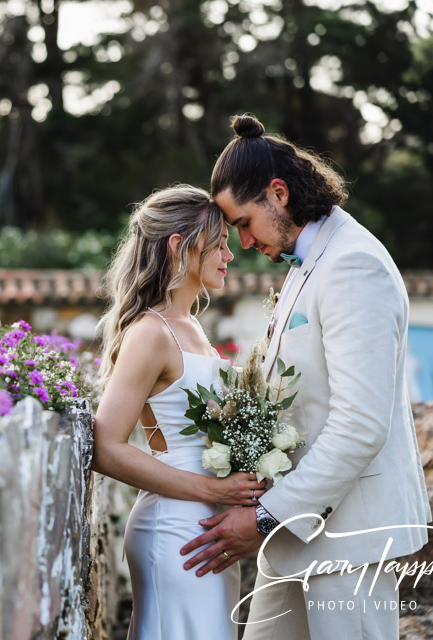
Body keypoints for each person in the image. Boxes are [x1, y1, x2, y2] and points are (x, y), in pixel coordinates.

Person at [179, 114, 432, 639]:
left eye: (244, 222)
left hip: (350, 536)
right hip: (296, 529)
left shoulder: (352, 265)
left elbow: (361, 424)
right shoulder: (306, 262)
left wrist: (266, 515)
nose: (243, 242)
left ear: (279, 193)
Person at [92, 185, 267, 639]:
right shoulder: (150, 332)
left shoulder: (190, 326)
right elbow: (106, 446)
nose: (230, 254)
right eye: (221, 243)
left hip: (206, 522)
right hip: (175, 525)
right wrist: (215, 488)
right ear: (180, 245)